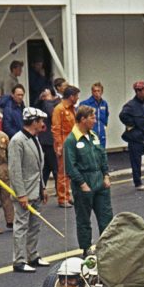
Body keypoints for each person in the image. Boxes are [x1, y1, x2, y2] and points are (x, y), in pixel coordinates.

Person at [65, 105, 113, 256]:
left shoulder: (94, 136)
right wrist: (82, 184)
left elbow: (102, 156)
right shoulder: (71, 140)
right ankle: (86, 248)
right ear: (82, 119)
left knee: (106, 216)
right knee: (84, 219)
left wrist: (106, 175)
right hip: (84, 183)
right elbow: (70, 167)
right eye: (92, 117)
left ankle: (108, 247)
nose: (94, 120)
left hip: (100, 181)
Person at [8, 107, 50, 273]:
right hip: (24, 192)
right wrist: (21, 194)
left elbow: (39, 168)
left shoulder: (34, 138)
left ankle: (32, 255)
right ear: (34, 122)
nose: (42, 124)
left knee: (35, 226)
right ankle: (19, 260)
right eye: (40, 121)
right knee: (21, 226)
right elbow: (15, 170)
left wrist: (43, 188)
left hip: (36, 190)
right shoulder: (17, 141)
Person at [51, 85, 79, 207]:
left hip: (72, 143)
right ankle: (62, 198)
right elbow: (56, 129)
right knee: (63, 172)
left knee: (70, 171)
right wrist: (58, 146)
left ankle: (67, 195)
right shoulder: (59, 109)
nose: (78, 98)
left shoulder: (72, 109)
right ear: (71, 96)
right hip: (63, 144)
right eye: (76, 96)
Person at [81, 82, 109, 150]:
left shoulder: (104, 104)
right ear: (92, 92)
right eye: (94, 91)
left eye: (98, 91)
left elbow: (106, 116)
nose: (96, 93)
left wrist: (104, 126)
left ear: (102, 92)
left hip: (101, 135)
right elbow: (80, 119)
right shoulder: (85, 103)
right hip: (90, 134)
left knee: (101, 153)